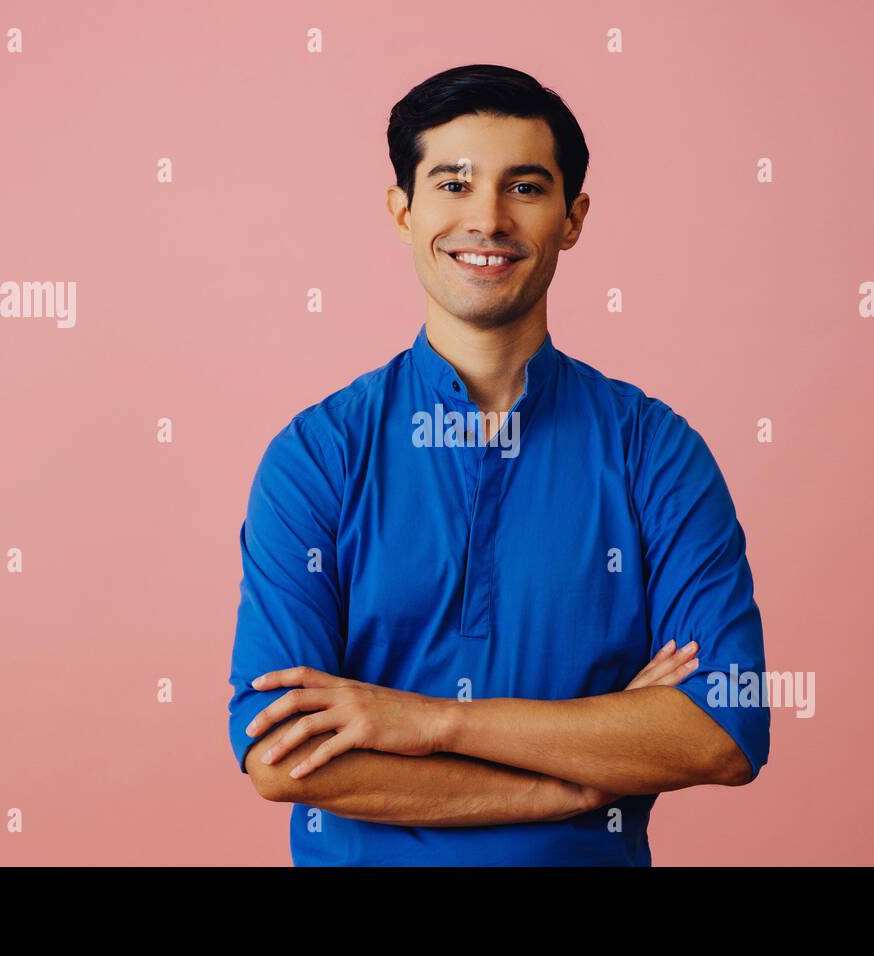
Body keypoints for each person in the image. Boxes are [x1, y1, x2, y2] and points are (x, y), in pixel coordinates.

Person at [227, 63, 770, 866]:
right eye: (452, 185)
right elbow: (281, 756)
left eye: (524, 187)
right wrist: (575, 785)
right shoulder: (318, 456)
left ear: (573, 217)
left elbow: (726, 729)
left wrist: (427, 721)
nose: (487, 219)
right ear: (403, 211)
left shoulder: (655, 451)